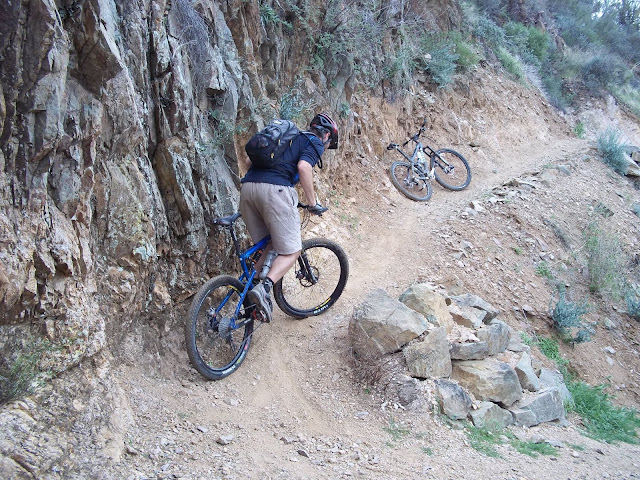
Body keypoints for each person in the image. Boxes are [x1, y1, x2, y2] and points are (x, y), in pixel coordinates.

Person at [240, 113, 339, 323]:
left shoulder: (285, 140)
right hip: (275, 191)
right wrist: (312, 204)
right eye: (329, 143)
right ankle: (265, 288)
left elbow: (248, 160)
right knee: (293, 250)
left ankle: (249, 290)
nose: (326, 146)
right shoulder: (314, 141)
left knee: (269, 244)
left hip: (247, 189)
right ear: (326, 135)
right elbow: (304, 167)